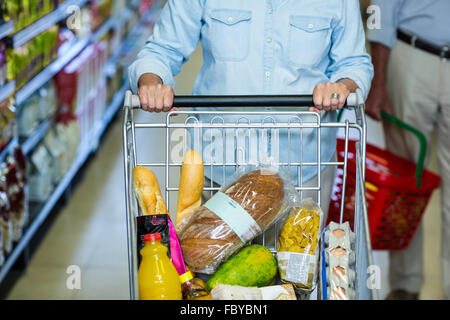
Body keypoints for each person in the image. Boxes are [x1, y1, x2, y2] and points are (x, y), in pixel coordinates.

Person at [129, 0, 373, 217]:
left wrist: (341, 86)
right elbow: (162, 49)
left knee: (300, 265)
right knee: (213, 264)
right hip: (221, 164)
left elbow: (354, 63)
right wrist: (152, 82)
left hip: (304, 165)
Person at [366, 0, 450, 300]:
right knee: (404, 181)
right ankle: (405, 287)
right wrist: (377, 79)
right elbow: (382, 8)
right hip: (412, 55)